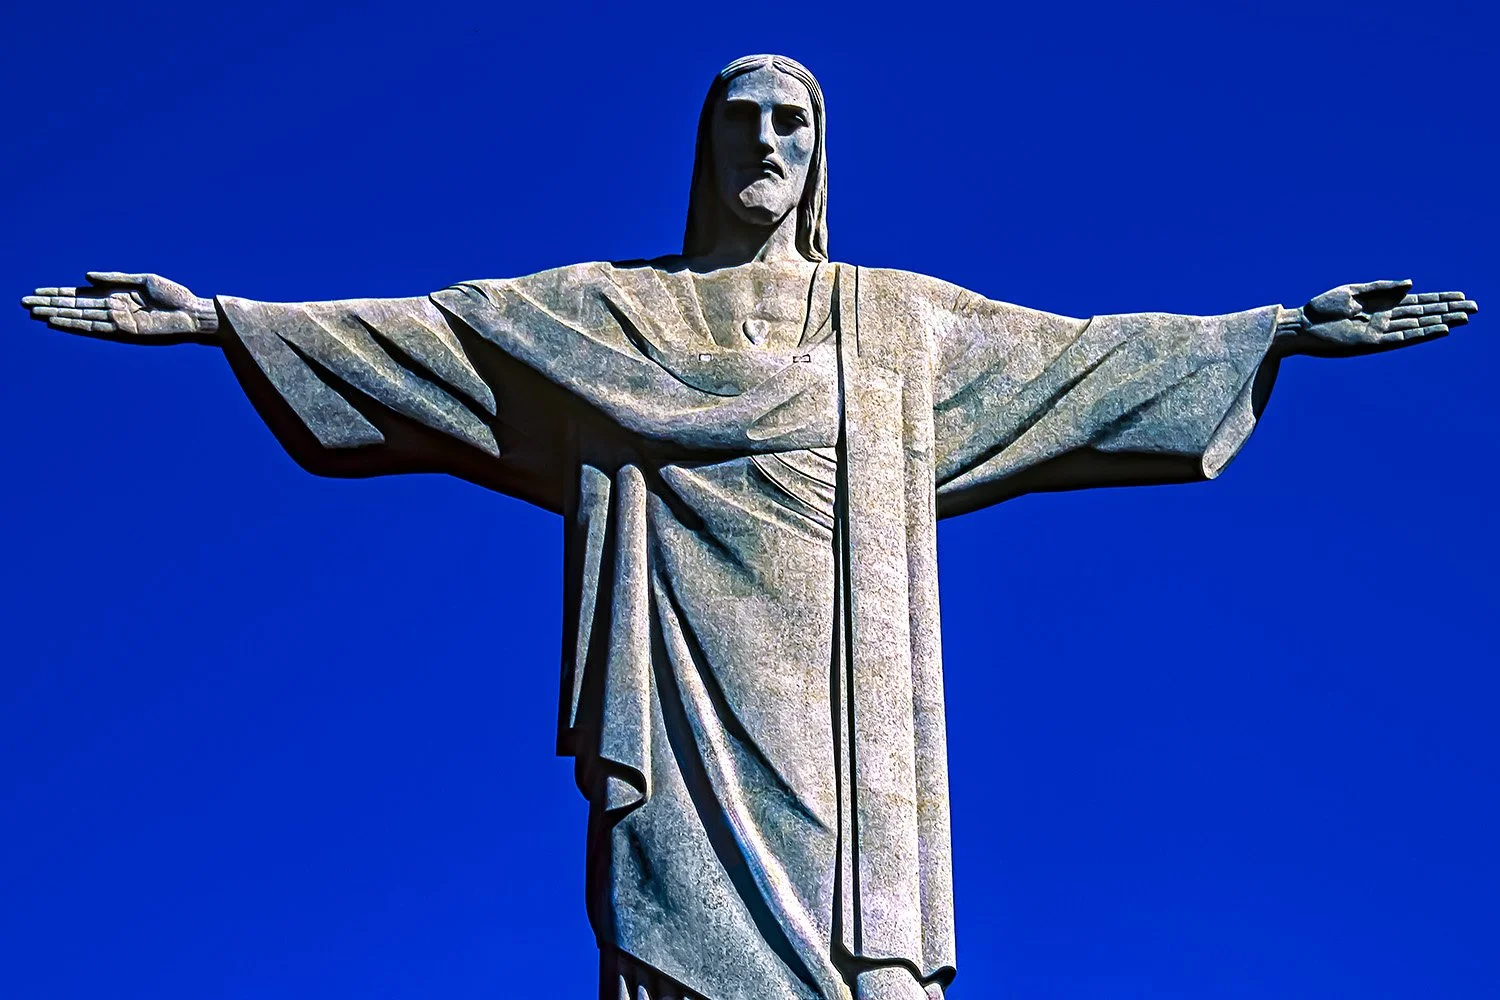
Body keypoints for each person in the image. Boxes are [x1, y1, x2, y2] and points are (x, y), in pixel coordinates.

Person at [20, 53, 1478, 1000]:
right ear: (706, 146)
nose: (767, 142)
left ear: (820, 155)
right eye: (743, 121)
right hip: (677, 701)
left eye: (793, 123)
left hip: (849, 723)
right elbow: (435, 339)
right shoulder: (612, 314)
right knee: (674, 941)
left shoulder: (896, 325)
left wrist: (1274, 331)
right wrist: (225, 321)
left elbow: (1083, 358)